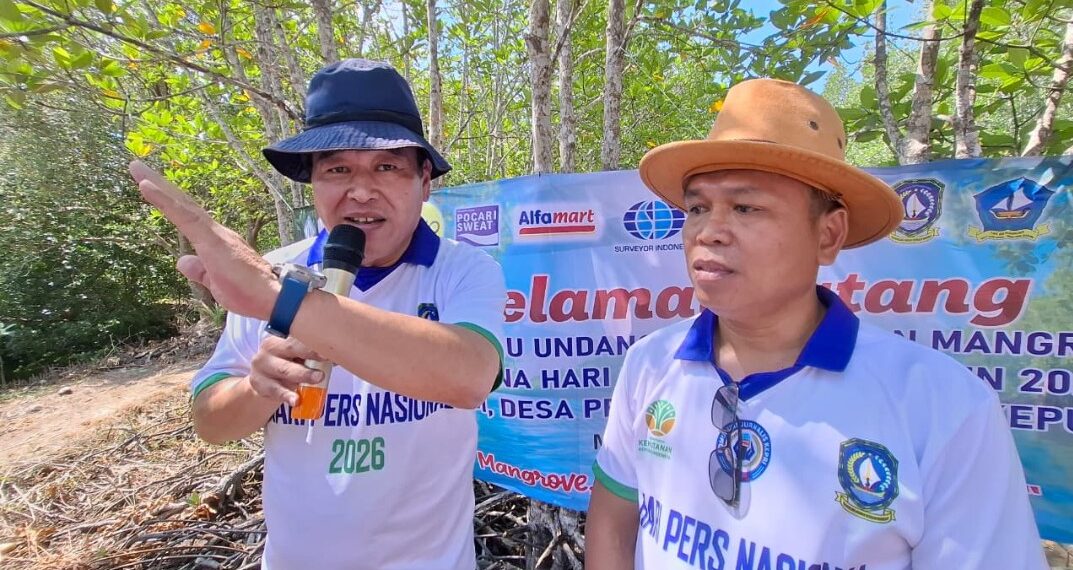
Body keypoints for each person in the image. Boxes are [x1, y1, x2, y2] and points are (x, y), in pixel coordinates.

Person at [585, 78, 1046, 569]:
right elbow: (615, 519)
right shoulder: (650, 363)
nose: (709, 231)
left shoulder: (944, 405)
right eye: (697, 207)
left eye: (746, 207)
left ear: (828, 234)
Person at [130, 59, 505, 569]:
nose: (361, 189)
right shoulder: (275, 273)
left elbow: (470, 377)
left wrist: (281, 302)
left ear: (425, 181)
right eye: (337, 169)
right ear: (313, 182)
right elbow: (210, 423)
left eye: (388, 166)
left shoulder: (461, 269)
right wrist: (256, 388)